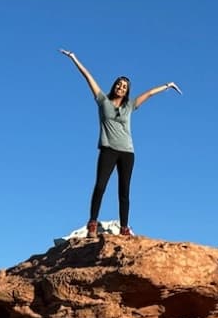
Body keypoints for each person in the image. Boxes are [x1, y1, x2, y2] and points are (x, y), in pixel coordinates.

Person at [59, 49, 181, 237]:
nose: (121, 87)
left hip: (127, 152)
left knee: (124, 191)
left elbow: (148, 94)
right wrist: (74, 58)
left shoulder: (129, 106)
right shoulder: (103, 101)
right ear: (114, 86)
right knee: (100, 186)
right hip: (108, 149)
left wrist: (167, 85)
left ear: (127, 91)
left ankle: (124, 228)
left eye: (124, 86)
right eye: (119, 84)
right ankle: (92, 222)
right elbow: (87, 77)